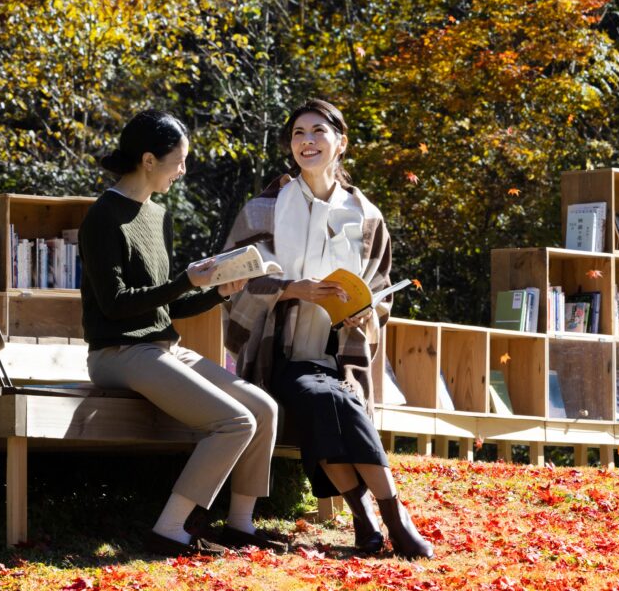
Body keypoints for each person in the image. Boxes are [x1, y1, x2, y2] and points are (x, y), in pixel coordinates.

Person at [221, 98, 434, 559]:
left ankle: (366, 521)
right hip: (278, 355)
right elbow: (233, 276)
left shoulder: (366, 216)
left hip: (340, 355)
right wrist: (290, 288)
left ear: (341, 142)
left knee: (334, 398)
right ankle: (394, 517)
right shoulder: (265, 208)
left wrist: (366, 311)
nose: (307, 141)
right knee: (326, 398)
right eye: (299, 133)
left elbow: (380, 289)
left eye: (318, 131)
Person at [79, 110, 282, 555]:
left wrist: (219, 293)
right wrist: (187, 281)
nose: (184, 170)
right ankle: (169, 528)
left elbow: (165, 303)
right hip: (117, 354)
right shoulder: (103, 217)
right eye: (179, 160)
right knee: (234, 421)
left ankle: (241, 524)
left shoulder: (158, 215)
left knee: (263, 408)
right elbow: (115, 303)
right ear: (149, 160)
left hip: (161, 348)